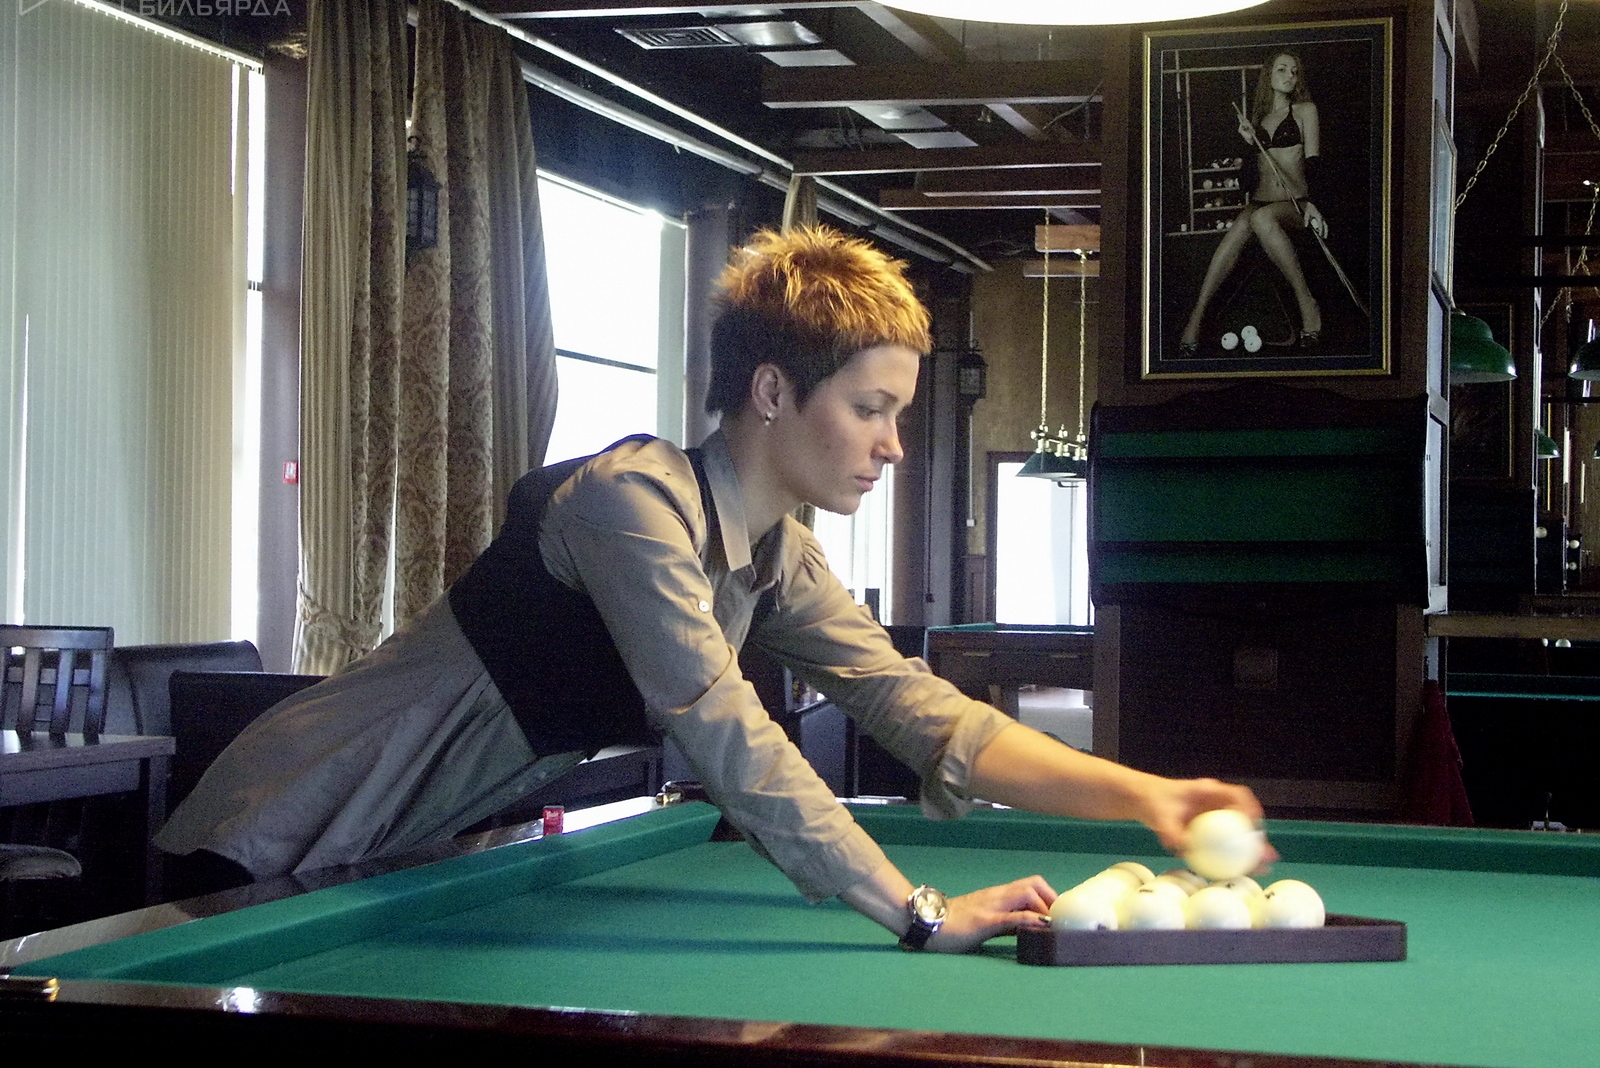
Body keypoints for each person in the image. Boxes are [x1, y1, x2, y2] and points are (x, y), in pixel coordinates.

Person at [158, 225, 1269, 953]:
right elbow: (724, 726)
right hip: (281, 826)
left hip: (399, 848)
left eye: (897, 415)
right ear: (774, 391)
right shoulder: (627, 502)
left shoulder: (777, 555)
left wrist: (1148, 797)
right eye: (872, 409)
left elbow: (923, 714)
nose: (892, 445)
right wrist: (917, 912)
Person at [1180, 50, 1327, 357]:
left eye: (1294, 71)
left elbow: (1314, 162)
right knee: (1234, 236)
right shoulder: (1259, 119)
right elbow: (1248, 179)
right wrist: (1248, 143)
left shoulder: (1305, 110)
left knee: (1261, 219)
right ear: (1269, 74)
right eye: (1282, 69)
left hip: (1295, 204)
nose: (1289, 76)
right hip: (1261, 201)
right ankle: (1196, 318)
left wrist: (1314, 204)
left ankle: (1307, 303)